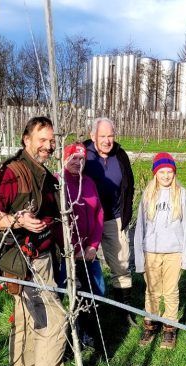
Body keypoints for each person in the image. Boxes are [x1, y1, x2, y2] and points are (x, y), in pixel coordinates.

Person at [0, 116, 66, 366]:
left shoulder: (47, 177)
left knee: (29, 323)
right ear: (26, 139)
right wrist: (18, 220)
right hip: (22, 261)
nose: (48, 146)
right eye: (42, 140)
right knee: (55, 322)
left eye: (51, 141)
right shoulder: (8, 173)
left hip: (44, 258)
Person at [133, 152, 186, 349]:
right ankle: (150, 324)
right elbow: (140, 228)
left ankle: (169, 328)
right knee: (152, 290)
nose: (166, 176)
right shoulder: (148, 195)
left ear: (174, 173)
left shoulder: (181, 194)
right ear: (155, 174)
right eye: (162, 172)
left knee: (170, 291)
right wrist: (139, 260)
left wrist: (185, 257)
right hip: (151, 252)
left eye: (169, 172)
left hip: (174, 252)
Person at [82, 117, 137, 325]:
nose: (107, 140)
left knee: (121, 265)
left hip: (114, 218)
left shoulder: (120, 155)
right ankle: (87, 313)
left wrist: (126, 213)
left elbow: (129, 185)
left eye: (110, 136)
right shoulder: (83, 154)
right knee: (84, 265)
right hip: (88, 221)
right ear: (92, 136)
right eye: (102, 136)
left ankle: (124, 311)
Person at [62, 142, 106, 349]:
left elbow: (98, 214)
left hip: (88, 251)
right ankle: (73, 337)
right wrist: (73, 248)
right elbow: (58, 221)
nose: (78, 162)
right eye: (74, 158)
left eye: (82, 159)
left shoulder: (88, 182)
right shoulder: (59, 183)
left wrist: (93, 245)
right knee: (74, 294)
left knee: (97, 291)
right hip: (69, 252)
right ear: (65, 158)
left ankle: (87, 331)